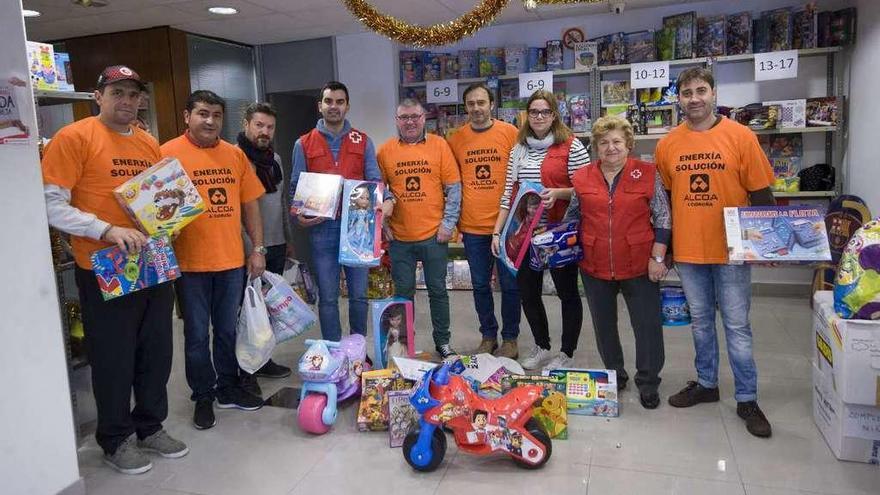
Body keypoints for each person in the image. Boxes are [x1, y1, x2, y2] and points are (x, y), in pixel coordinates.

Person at [41, 65, 187, 474]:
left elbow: (158, 197)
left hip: (153, 261)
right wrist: (105, 229)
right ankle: (116, 438)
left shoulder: (146, 141)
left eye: (133, 94)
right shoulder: (74, 138)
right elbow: (51, 203)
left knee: (156, 351)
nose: (126, 101)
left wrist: (169, 222)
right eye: (117, 92)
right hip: (104, 265)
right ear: (98, 96)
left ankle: (150, 427)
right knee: (113, 357)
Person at [655, 67, 775, 438]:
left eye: (701, 90)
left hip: (732, 250)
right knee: (702, 323)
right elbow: (667, 202)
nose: (694, 98)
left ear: (713, 93)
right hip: (690, 251)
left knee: (737, 326)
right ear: (679, 98)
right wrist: (669, 248)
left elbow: (761, 194)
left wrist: (766, 242)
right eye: (687, 92)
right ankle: (707, 384)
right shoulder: (667, 144)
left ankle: (747, 397)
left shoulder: (741, 136)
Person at [161, 90, 267, 431]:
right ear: (186, 116)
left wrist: (258, 249)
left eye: (217, 115)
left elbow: (250, 204)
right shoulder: (166, 154)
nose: (210, 121)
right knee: (195, 335)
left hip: (230, 262)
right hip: (188, 265)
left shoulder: (234, 156)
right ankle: (202, 396)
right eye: (203, 113)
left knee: (225, 330)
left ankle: (226, 388)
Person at [564, 115, 671, 410]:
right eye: (603, 142)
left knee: (647, 325)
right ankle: (615, 374)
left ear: (628, 145)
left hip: (639, 263)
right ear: (596, 147)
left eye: (616, 142)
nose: (610, 148)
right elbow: (573, 217)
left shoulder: (648, 173)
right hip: (594, 264)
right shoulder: (582, 177)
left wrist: (658, 257)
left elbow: (663, 217)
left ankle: (648, 381)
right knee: (604, 326)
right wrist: (558, 242)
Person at [491, 89, 588, 373]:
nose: (539, 117)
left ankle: (566, 352)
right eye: (534, 112)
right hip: (525, 235)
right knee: (528, 293)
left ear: (554, 115)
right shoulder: (519, 148)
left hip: (559, 233)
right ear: (526, 115)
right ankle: (542, 346)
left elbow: (586, 189)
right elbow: (509, 193)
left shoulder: (571, 146)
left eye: (545, 111)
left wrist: (558, 193)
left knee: (567, 293)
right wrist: (497, 232)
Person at [290, 81, 383, 342]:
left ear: (347, 106)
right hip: (322, 228)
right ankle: (333, 351)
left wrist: (383, 203)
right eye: (329, 101)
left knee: (359, 295)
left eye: (339, 102)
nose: (334, 107)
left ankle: (356, 349)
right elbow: (296, 186)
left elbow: (374, 179)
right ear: (320, 106)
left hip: (357, 228)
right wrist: (299, 216)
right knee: (328, 297)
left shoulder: (363, 141)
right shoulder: (304, 143)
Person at [377, 98, 462, 359]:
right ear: (397, 121)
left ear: (424, 118)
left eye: (415, 116)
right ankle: (405, 344)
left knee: (438, 291)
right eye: (404, 117)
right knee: (403, 295)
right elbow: (379, 192)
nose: (410, 122)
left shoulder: (439, 146)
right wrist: (385, 226)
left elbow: (454, 188)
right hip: (400, 239)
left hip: (434, 235)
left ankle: (443, 342)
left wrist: (448, 224)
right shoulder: (385, 151)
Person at [447, 83, 521, 358]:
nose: (476, 108)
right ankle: (488, 335)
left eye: (481, 102)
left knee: (510, 284)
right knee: (480, 285)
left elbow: (522, 175)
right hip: (472, 226)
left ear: (491, 104)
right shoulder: (455, 139)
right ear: (465, 107)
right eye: (471, 104)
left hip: (507, 225)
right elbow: (451, 183)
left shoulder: (510, 133)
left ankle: (510, 339)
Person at [236, 102, 293, 396]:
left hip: (275, 243)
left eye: (270, 127)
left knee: (268, 310)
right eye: (259, 125)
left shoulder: (276, 160)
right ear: (246, 123)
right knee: (246, 312)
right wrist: (251, 248)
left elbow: (280, 202)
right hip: (247, 248)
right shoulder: (234, 158)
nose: (264, 132)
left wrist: (287, 237)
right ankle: (245, 371)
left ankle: (264, 359)